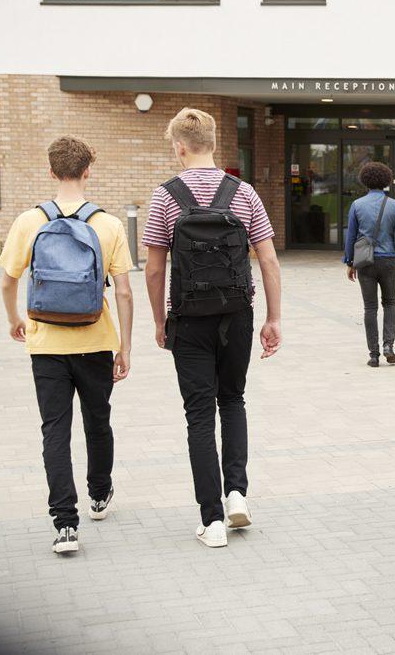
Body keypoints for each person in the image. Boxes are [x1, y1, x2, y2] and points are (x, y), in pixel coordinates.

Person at [143, 108, 282, 549]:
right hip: (237, 315)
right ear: (215, 143)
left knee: (199, 414)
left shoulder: (165, 197)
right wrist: (273, 318)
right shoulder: (244, 194)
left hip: (188, 318)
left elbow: (152, 269)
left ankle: (212, 520)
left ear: (179, 147)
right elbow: (269, 260)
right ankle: (237, 492)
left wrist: (158, 319)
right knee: (233, 399)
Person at [0, 136, 134, 554]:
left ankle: (65, 525)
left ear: (51, 171)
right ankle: (99, 494)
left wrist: (15, 321)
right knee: (98, 421)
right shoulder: (108, 225)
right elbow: (125, 293)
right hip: (95, 341)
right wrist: (124, 347)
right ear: (88, 170)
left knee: (55, 430)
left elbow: (7, 280)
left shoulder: (28, 222)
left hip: (45, 344)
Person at [343, 161, 395, 367]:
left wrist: (350, 261)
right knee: (389, 302)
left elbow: (351, 236)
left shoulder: (357, 205)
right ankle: (389, 345)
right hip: (388, 260)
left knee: (369, 307)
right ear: (386, 181)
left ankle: (373, 354)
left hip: (365, 262)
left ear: (365, 181)